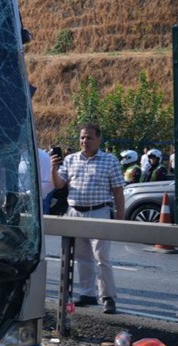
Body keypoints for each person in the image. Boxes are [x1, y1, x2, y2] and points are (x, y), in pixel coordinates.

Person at [51, 123, 126, 314]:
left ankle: (108, 297)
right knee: (82, 256)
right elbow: (59, 185)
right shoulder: (71, 159)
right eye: (82, 137)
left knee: (101, 256)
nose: (85, 141)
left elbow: (118, 191)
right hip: (75, 211)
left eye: (89, 138)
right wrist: (53, 169)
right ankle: (87, 293)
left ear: (98, 140)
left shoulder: (109, 161)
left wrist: (120, 218)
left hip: (98, 212)